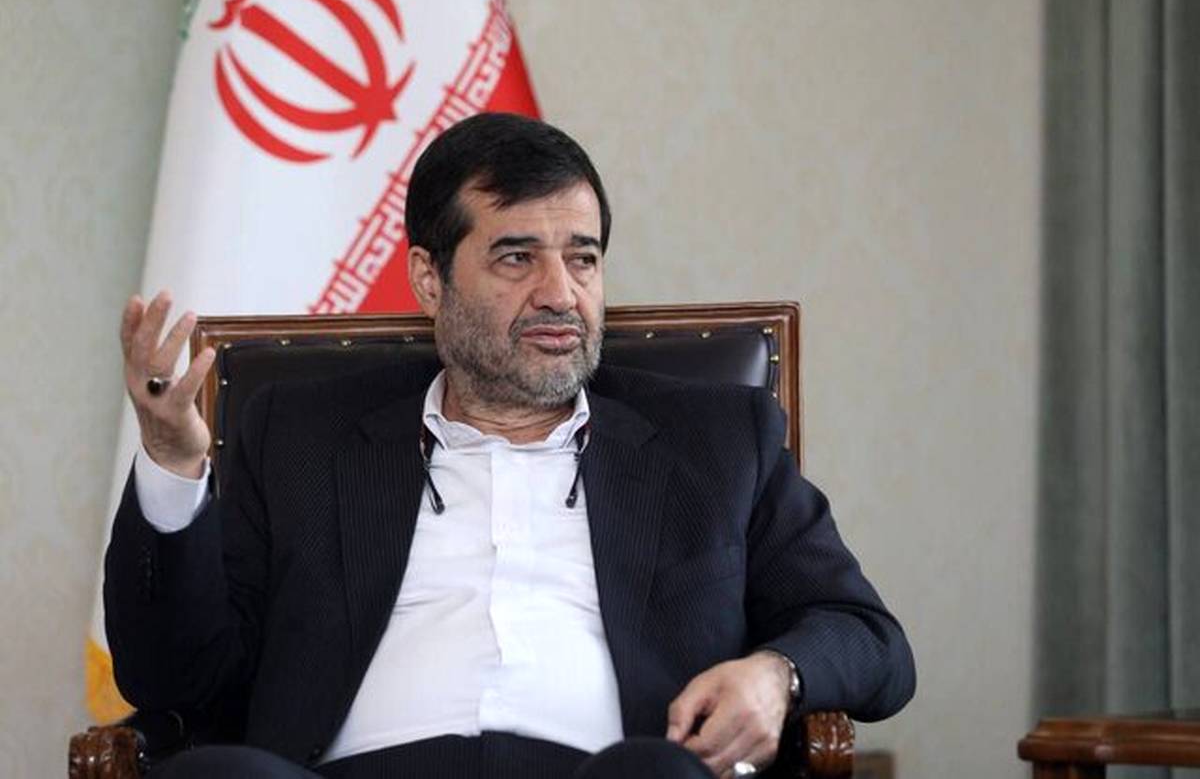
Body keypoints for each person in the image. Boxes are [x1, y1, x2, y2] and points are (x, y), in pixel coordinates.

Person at [106, 113, 915, 779]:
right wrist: (173, 464)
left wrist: (777, 674)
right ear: (430, 278)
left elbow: (870, 639)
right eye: (516, 257)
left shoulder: (717, 441)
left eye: (583, 259)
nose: (560, 294)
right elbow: (177, 680)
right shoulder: (300, 437)